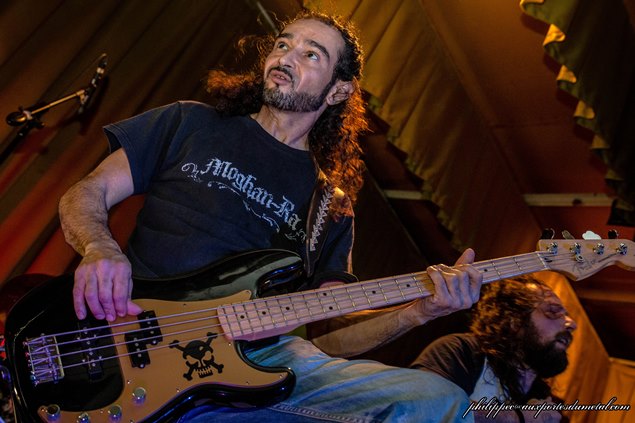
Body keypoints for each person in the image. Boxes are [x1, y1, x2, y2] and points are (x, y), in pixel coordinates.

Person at [58, 10, 483, 423]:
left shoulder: (330, 209)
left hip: (241, 377)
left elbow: (329, 337)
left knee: (438, 399)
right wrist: (99, 247)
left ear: (339, 91)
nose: (286, 57)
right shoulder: (190, 121)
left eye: (311, 54)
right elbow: (88, 191)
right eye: (283, 45)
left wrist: (420, 311)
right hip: (123, 335)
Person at [410, 277, 577, 422]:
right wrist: (519, 418)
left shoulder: (543, 400)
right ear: (515, 321)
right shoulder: (462, 350)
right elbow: (423, 405)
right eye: (553, 311)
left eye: (567, 315)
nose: (572, 324)